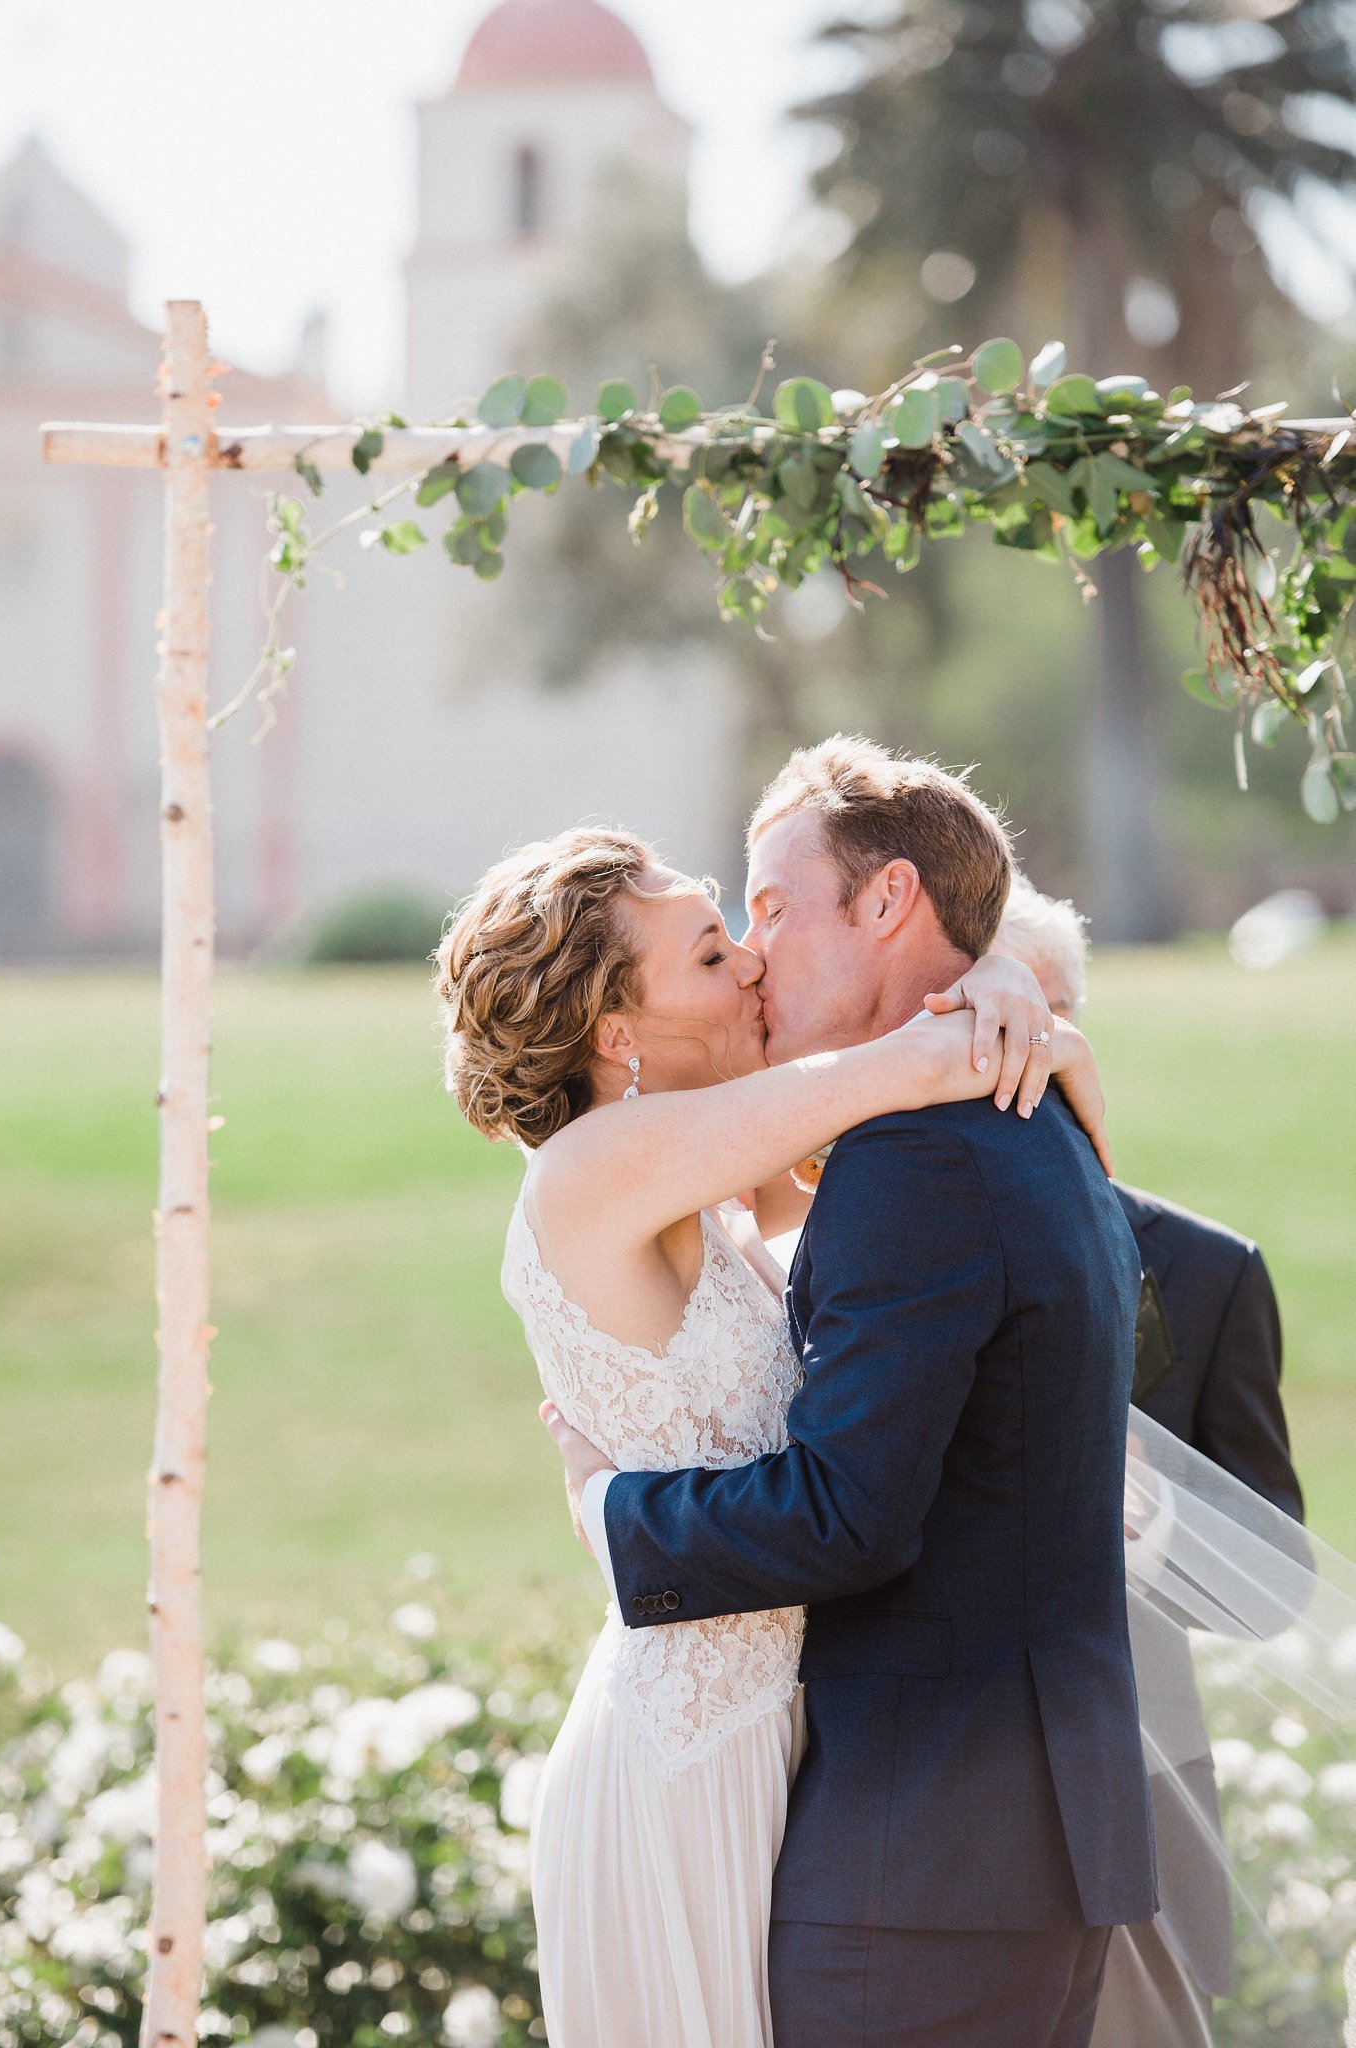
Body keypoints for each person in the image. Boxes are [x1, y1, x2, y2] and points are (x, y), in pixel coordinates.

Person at [438, 763, 1116, 2048]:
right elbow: (884, 1076)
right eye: (711, 949)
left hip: (800, 1744)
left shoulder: (723, 1179)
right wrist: (990, 999)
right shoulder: (593, 1167)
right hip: (688, 1754)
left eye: (749, 924)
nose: (751, 963)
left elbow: (920, 1184)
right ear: (617, 1033)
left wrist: (1012, 991)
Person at [994, 876, 1307, 2042]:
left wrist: (1157, 1524)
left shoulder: (1206, 1268)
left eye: (1029, 1014)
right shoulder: (836, 1244)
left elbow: (1277, 1579)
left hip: (1136, 1785)